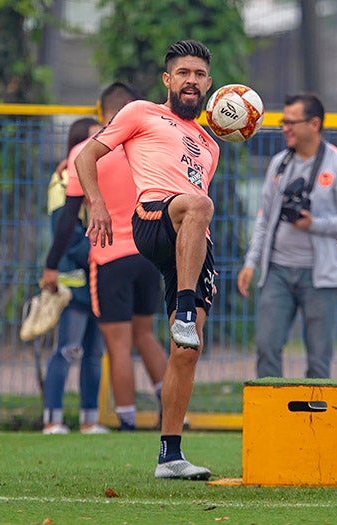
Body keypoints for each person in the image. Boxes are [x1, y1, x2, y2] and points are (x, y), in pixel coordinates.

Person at [74, 40, 218, 480]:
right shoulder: (140, 112)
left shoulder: (211, 144)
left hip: (193, 240)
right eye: (183, 73)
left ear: (209, 84)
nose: (191, 80)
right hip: (154, 215)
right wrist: (96, 203)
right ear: (168, 80)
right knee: (198, 205)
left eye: (199, 74)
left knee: (186, 353)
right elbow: (86, 155)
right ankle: (184, 311)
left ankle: (170, 456)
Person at [41, 82, 168, 432]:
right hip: (149, 257)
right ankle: (175, 413)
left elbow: (68, 219)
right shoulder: (148, 148)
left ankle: (127, 424)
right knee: (147, 336)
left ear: (102, 111)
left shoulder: (85, 151)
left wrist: (51, 265)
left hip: (110, 258)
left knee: (119, 344)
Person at [236, 94, 337, 379]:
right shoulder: (279, 164)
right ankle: (271, 420)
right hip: (278, 272)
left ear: (314, 124)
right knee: (267, 346)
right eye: (283, 122)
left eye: (291, 123)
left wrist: (314, 224)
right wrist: (251, 262)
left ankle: (313, 421)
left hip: (321, 276)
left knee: (319, 359)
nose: (285, 128)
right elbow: (264, 218)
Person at [41, 117, 109, 435]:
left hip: (98, 278)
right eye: (96, 138)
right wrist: (99, 252)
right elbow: (64, 233)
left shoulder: (101, 176)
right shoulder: (64, 179)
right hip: (74, 280)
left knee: (95, 353)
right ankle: (52, 419)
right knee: (67, 349)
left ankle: (89, 420)